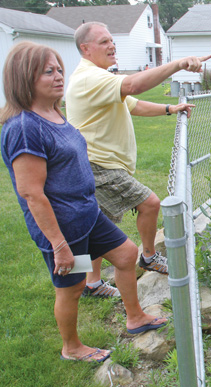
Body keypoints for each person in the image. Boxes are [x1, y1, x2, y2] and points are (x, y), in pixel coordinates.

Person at [0, 42, 167, 363]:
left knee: (127, 254)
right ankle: (72, 348)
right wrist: (59, 245)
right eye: (48, 72)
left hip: (87, 215)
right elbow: (32, 193)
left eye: (59, 69)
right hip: (64, 228)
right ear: (24, 77)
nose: (59, 76)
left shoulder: (52, 112)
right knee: (72, 287)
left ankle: (136, 318)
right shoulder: (24, 128)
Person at [65, 21, 211, 298]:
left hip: (100, 164)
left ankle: (90, 283)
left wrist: (170, 108)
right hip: (99, 165)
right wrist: (178, 64)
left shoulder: (99, 78)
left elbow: (133, 104)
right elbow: (133, 86)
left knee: (94, 227)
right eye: (104, 41)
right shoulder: (88, 78)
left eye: (112, 40)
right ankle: (148, 256)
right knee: (151, 203)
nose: (112, 45)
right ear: (85, 48)